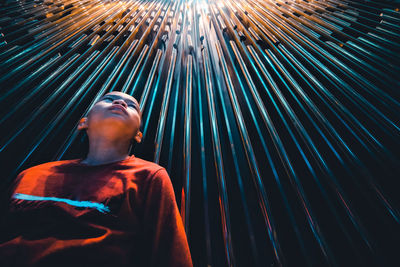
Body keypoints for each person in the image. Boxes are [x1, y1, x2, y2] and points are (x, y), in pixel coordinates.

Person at [0, 92, 193, 267]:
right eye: (108, 99)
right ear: (84, 122)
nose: (120, 102)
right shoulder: (31, 175)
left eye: (132, 105)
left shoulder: (148, 176)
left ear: (137, 135)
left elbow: (170, 255)